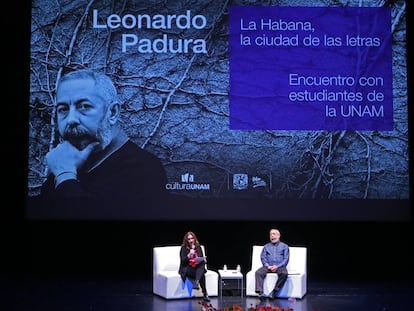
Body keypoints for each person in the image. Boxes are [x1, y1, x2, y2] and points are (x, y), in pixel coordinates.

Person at [28, 69, 168, 219]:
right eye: (63, 109)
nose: (71, 120)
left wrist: (65, 175)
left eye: (84, 106)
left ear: (112, 112)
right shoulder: (72, 161)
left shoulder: (143, 169)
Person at [255, 228, 289, 300]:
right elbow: (263, 257)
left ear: (279, 236)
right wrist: (268, 266)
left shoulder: (284, 246)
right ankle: (261, 293)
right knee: (258, 272)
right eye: (270, 234)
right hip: (268, 266)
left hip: (280, 267)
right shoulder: (266, 246)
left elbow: (286, 259)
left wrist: (277, 266)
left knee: (284, 274)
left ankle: (274, 292)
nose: (272, 236)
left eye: (274, 234)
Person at [179, 231, 210, 302]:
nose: (191, 240)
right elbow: (183, 262)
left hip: (197, 267)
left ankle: (196, 281)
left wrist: (203, 260)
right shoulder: (183, 248)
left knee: (202, 264)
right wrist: (189, 255)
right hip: (188, 268)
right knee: (202, 275)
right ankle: (205, 294)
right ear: (186, 240)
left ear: (194, 239)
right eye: (189, 239)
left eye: (192, 238)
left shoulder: (198, 247)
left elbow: (201, 258)